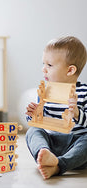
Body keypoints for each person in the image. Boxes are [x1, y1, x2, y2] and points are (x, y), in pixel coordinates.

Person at [25, 36, 87, 179]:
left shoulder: (84, 92)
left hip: (76, 146)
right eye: (43, 64)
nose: (44, 69)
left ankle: (59, 165)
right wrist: (34, 114)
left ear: (70, 70)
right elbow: (40, 120)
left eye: (50, 65)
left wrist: (77, 113)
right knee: (33, 131)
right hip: (52, 143)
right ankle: (44, 153)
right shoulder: (46, 92)